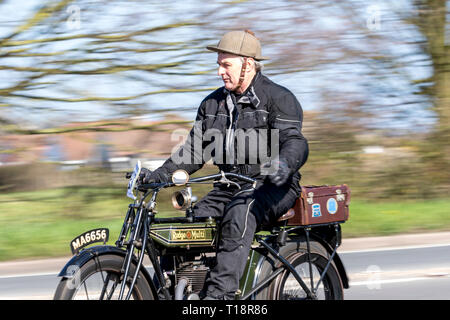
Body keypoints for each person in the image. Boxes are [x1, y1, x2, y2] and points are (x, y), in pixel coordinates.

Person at [139, 30, 309, 300]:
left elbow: (295, 141)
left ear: (248, 64)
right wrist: (158, 176)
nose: (220, 71)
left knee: (242, 211)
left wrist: (283, 163)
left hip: (273, 184)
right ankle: (178, 292)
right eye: (219, 64)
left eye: (225, 64)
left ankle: (219, 297)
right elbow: (193, 152)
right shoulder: (212, 104)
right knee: (189, 227)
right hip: (230, 185)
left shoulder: (278, 98)